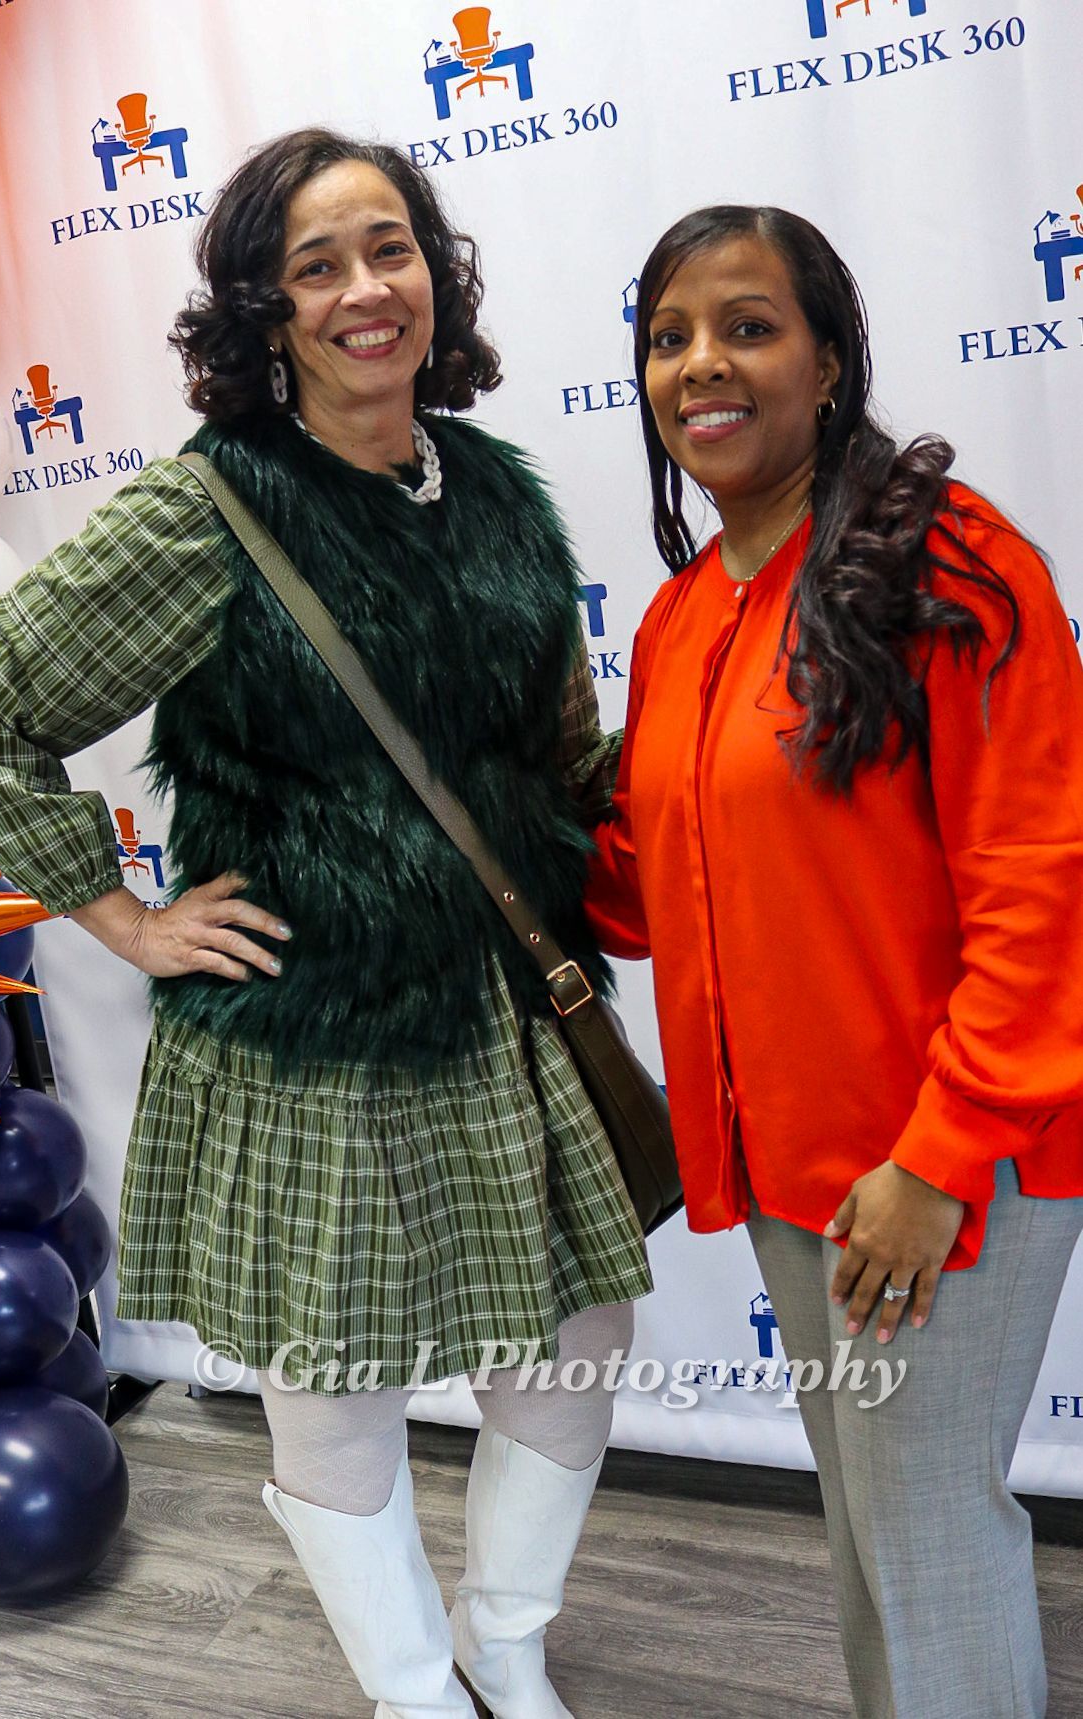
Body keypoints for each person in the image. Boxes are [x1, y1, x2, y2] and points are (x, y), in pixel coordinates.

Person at [0, 129, 653, 1719]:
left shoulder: (497, 493)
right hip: (310, 1029)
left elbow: (550, 747)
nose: (360, 290)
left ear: (434, 270)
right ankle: (412, 1692)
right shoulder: (207, 511)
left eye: (386, 248)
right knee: (335, 1384)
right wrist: (119, 918)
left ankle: (508, 1646)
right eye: (313, 264)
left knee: (580, 1335)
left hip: (509, 1010)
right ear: (262, 308)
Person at [586, 204, 1083, 1718]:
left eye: (745, 325)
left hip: (938, 1169)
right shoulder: (678, 618)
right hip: (795, 1174)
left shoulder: (951, 566)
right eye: (667, 337)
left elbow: (1041, 888)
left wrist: (935, 1163)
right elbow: (655, 885)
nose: (699, 366)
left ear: (828, 358)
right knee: (877, 1529)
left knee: (925, 1533)